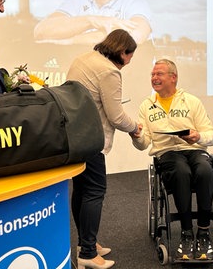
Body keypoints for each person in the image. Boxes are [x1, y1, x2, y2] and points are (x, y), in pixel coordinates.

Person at [67, 29, 141, 269]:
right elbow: (116, 116)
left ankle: (86, 243)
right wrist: (135, 128)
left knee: (81, 189)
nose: (129, 63)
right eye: (130, 57)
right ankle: (87, 253)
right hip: (92, 138)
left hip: (74, 135)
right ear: (122, 52)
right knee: (94, 191)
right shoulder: (110, 71)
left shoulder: (84, 59)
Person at [131, 59, 213, 261]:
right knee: (181, 171)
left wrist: (198, 137)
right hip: (167, 153)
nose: (154, 78)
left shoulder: (191, 101)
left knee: (205, 170)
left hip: (194, 149)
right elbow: (144, 144)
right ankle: (187, 232)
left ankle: (203, 232)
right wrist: (136, 136)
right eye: (152, 74)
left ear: (173, 77)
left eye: (159, 74)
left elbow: (212, 135)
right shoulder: (147, 105)